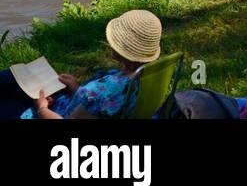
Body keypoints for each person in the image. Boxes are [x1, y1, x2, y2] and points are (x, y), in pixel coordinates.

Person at [2, 9, 163, 119]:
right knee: (11, 80)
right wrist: (76, 90)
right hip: (71, 103)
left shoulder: (110, 88)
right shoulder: (148, 76)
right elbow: (100, 105)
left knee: (8, 103)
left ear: (123, 49)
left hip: (54, 113)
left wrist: (41, 108)